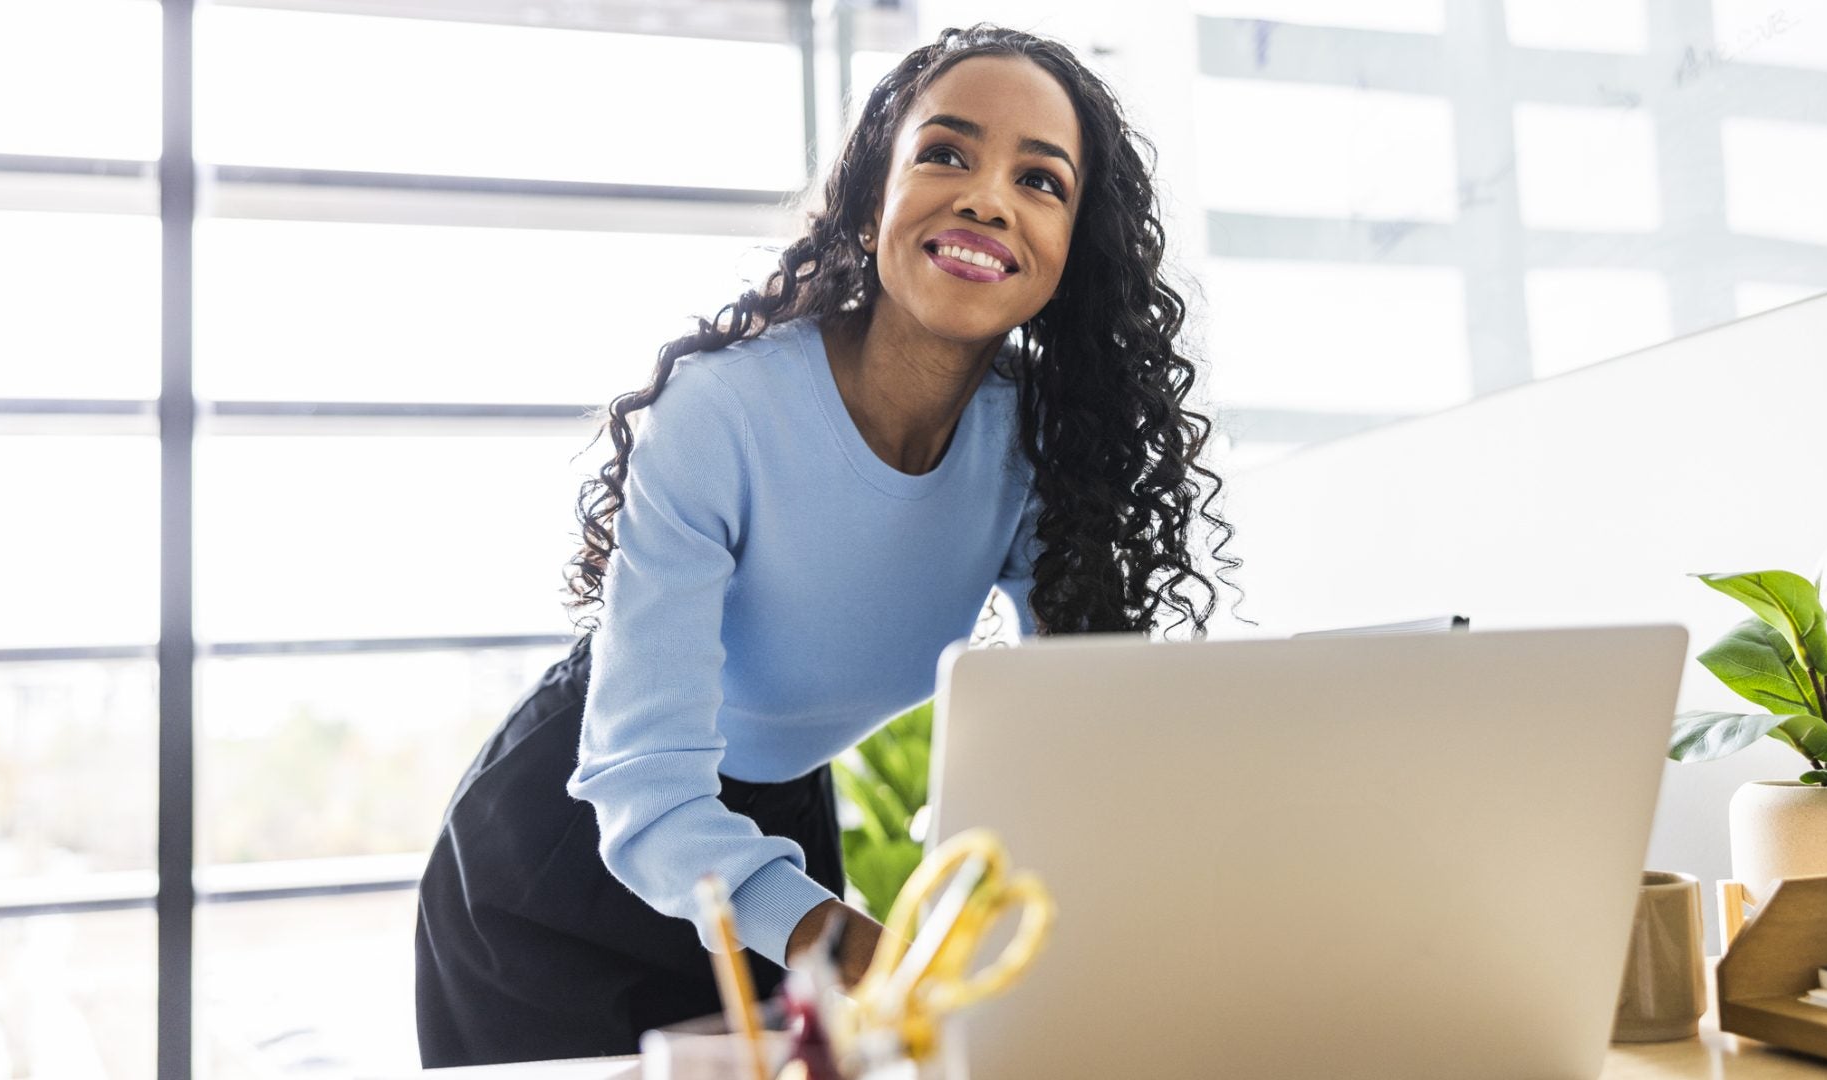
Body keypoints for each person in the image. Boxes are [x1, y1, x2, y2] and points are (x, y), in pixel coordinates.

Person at [413, 23, 1238, 1067]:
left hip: (771, 848)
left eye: (1041, 180)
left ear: (1076, 248)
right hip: (567, 853)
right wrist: (880, 958)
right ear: (872, 195)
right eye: (946, 153)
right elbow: (644, 790)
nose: (988, 197)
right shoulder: (723, 414)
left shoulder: (1037, 453)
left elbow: (1079, 739)